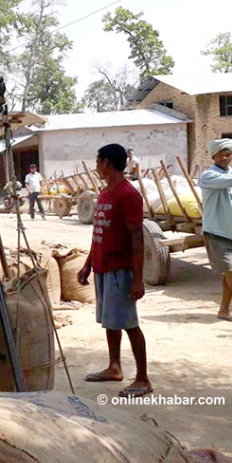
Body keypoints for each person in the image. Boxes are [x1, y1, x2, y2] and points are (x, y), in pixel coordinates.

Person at [79, 143, 152, 398]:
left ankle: (143, 379)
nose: (96, 166)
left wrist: (138, 279)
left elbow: (137, 239)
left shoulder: (128, 194)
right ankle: (114, 367)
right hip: (102, 267)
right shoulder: (105, 192)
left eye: (97, 162)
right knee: (111, 321)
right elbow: (98, 232)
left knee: (129, 324)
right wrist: (88, 264)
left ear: (106, 163)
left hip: (120, 270)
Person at [198, 138, 232, 323]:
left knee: (228, 274)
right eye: (220, 154)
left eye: (227, 154)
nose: (224, 157)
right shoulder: (208, 176)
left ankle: (223, 310)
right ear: (213, 156)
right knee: (231, 271)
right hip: (217, 232)